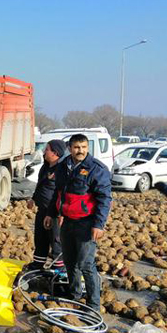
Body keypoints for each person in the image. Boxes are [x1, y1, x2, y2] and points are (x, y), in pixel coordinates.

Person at [44, 134, 112, 312]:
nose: (80, 151)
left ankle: (93, 305)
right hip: (67, 222)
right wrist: (51, 214)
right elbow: (58, 193)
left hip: (87, 224)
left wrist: (99, 224)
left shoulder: (96, 169)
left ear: (88, 148)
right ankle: (74, 295)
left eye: (83, 147)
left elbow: (104, 199)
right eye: (76, 147)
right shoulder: (64, 167)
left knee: (86, 265)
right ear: (69, 148)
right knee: (70, 262)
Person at [26, 139, 66, 271]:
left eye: (47, 149)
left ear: (55, 153)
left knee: (56, 240)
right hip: (42, 209)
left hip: (54, 212)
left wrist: (61, 213)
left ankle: (59, 268)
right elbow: (40, 184)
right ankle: (38, 264)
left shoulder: (62, 169)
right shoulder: (45, 167)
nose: (44, 151)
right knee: (40, 238)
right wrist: (33, 199)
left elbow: (64, 192)